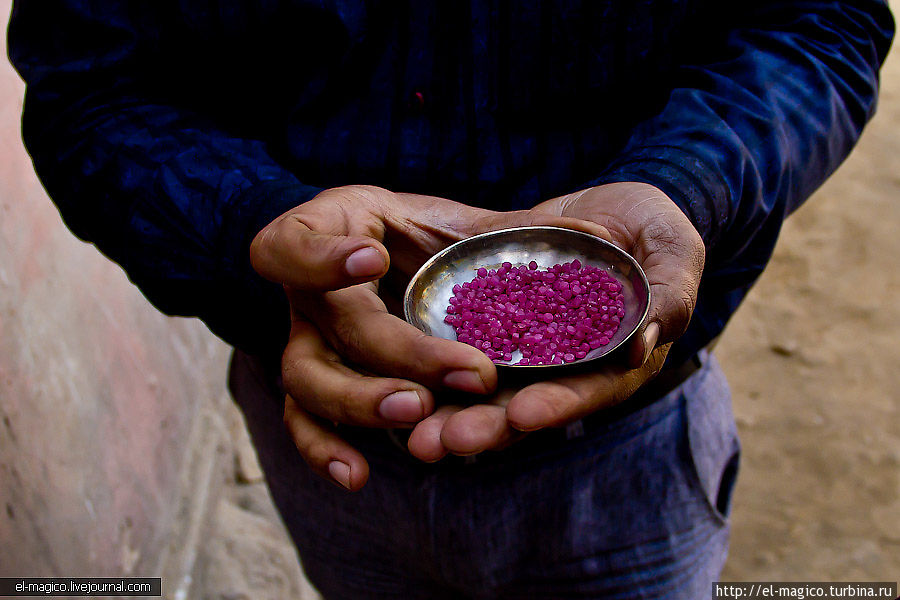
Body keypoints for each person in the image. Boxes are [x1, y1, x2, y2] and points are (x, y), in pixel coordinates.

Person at [8, 1, 893, 597]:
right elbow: (88, 89)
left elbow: (822, 23)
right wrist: (264, 228)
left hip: (629, 453)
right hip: (324, 424)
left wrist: (681, 184)